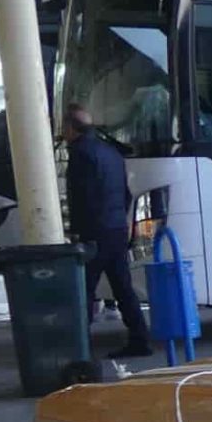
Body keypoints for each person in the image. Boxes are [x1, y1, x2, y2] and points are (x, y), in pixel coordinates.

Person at [60, 106, 151, 358]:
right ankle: (140, 339)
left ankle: (80, 347)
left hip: (95, 230)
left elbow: (82, 196)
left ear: (70, 128)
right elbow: (125, 194)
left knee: (84, 288)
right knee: (123, 287)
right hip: (116, 228)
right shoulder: (111, 152)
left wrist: (77, 231)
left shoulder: (80, 153)